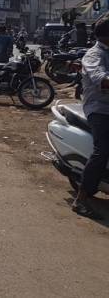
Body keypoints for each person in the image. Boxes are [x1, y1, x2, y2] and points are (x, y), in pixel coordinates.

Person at [71, 15, 109, 218]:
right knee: (102, 151)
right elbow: (100, 78)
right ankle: (81, 198)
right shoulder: (95, 55)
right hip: (100, 109)